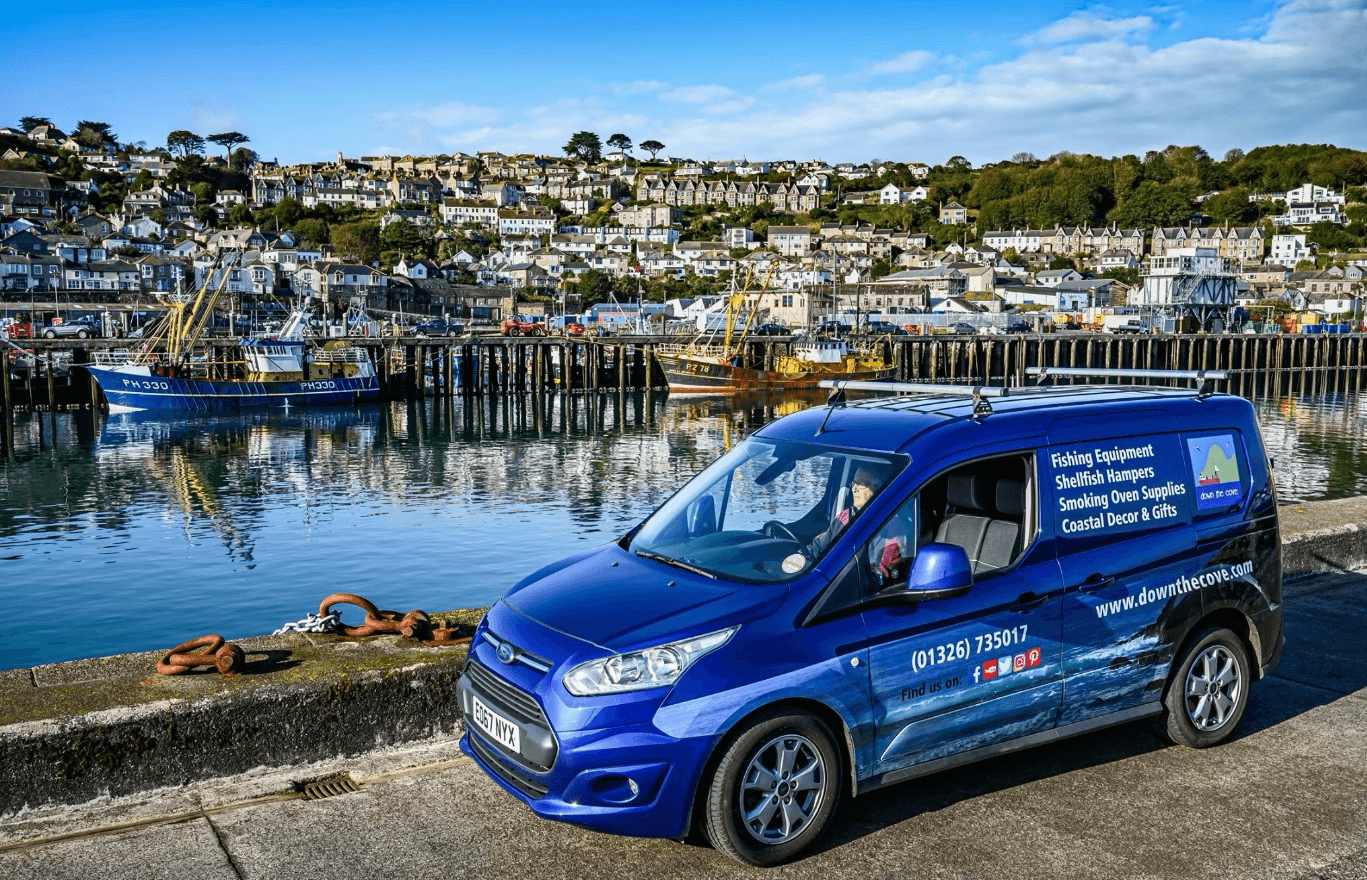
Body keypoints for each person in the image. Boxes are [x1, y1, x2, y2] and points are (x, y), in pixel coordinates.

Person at [805, 464, 887, 558]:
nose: (854, 489)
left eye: (861, 484)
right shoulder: (843, 518)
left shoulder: (886, 529)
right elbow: (817, 548)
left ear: (878, 488)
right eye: (854, 483)